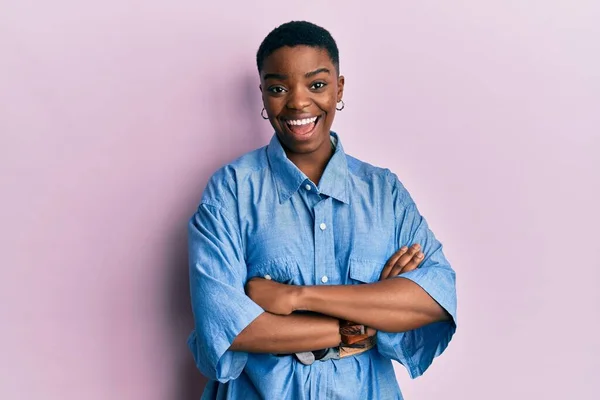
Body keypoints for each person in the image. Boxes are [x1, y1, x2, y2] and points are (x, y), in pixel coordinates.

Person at [187, 20, 457, 399]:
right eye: (278, 88)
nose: (298, 102)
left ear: (339, 88)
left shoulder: (384, 193)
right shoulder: (230, 192)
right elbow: (230, 329)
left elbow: (435, 299)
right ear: (263, 94)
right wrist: (368, 318)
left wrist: (297, 298)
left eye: (317, 84)